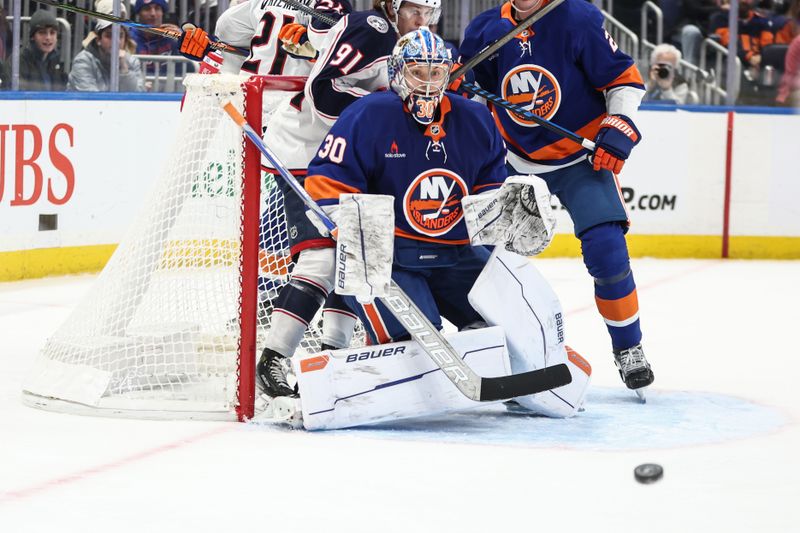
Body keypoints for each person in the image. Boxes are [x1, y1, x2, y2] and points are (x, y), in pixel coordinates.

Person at [243, 0, 442, 398]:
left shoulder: (409, 44)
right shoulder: (373, 29)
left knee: (357, 256)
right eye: (414, 10)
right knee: (323, 256)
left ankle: (333, 356)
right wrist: (389, 108)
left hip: (353, 159)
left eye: (429, 14)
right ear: (392, 6)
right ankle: (273, 360)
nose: (421, 21)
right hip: (311, 151)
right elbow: (323, 89)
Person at [456, 0, 655, 394]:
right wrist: (461, 101)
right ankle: (502, 349)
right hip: (513, 157)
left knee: (607, 250)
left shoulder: (577, 18)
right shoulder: (483, 30)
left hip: (579, 158)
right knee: (487, 259)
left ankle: (628, 347)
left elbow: (624, 81)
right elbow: (473, 99)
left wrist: (618, 125)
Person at [68, 18, 144, 91]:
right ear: (98, 40)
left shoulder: (132, 62)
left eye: (120, 36)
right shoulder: (83, 61)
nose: (115, 41)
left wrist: (124, 70)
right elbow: (90, 98)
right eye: (109, 36)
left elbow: (138, 98)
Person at [0, 9, 67, 91]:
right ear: (32, 37)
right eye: (42, 32)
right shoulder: (17, 62)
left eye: (52, 33)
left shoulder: (56, 61)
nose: (48, 38)